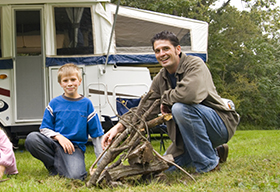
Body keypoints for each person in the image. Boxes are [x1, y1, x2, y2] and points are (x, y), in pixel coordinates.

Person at [102, 31, 239, 173]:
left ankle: (209, 165)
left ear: (178, 49)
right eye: (157, 51)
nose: (162, 54)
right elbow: (145, 108)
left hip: (219, 125)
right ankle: (216, 151)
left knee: (180, 108)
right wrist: (118, 127)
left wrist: (165, 100)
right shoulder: (159, 79)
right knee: (161, 169)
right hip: (187, 137)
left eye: (166, 49)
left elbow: (189, 95)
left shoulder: (195, 64)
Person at [24, 63, 104, 180]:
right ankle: (54, 166)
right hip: (55, 144)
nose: (70, 83)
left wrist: (102, 165)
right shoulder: (54, 103)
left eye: (73, 79)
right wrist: (59, 137)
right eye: (65, 80)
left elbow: (97, 135)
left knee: (77, 177)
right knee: (32, 139)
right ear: (61, 83)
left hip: (74, 148)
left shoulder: (87, 104)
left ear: (80, 81)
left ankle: (60, 168)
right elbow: (44, 129)